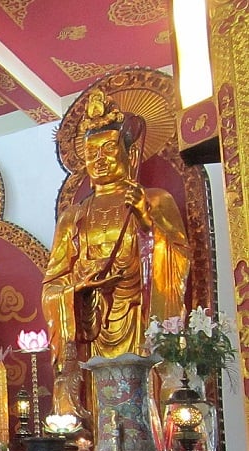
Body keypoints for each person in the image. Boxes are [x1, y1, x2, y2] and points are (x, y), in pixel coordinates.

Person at [42, 90, 191, 419]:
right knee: (104, 416)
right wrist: (75, 289)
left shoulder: (155, 199)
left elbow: (178, 256)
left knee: (149, 397)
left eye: (109, 149)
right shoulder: (74, 215)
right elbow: (52, 282)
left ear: (129, 152)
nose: (99, 159)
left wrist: (146, 223)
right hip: (94, 321)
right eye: (91, 152)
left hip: (140, 319)